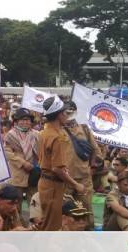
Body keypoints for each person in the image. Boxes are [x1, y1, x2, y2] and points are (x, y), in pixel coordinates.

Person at [37, 96, 86, 231]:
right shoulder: (56, 137)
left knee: (47, 223)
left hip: (47, 183)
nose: (67, 116)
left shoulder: (45, 132)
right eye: (65, 113)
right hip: (52, 184)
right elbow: (57, 169)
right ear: (59, 115)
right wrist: (76, 185)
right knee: (51, 227)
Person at [63, 101, 101, 229]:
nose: (69, 114)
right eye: (66, 111)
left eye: (71, 110)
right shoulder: (57, 130)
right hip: (65, 178)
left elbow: (96, 150)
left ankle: (88, 236)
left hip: (84, 177)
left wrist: (93, 167)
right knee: (65, 209)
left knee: (86, 208)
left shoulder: (84, 128)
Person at [5, 108, 39, 212]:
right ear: (16, 121)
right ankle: (18, 225)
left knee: (35, 204)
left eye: (28, 120)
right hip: (18, 174)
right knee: (16, 205)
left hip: (34, 173)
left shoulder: (36, 134)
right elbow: (7, 153)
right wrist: (23, 163)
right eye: (22, 120)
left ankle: (36, 225)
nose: (25, 122)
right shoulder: (10, 135)